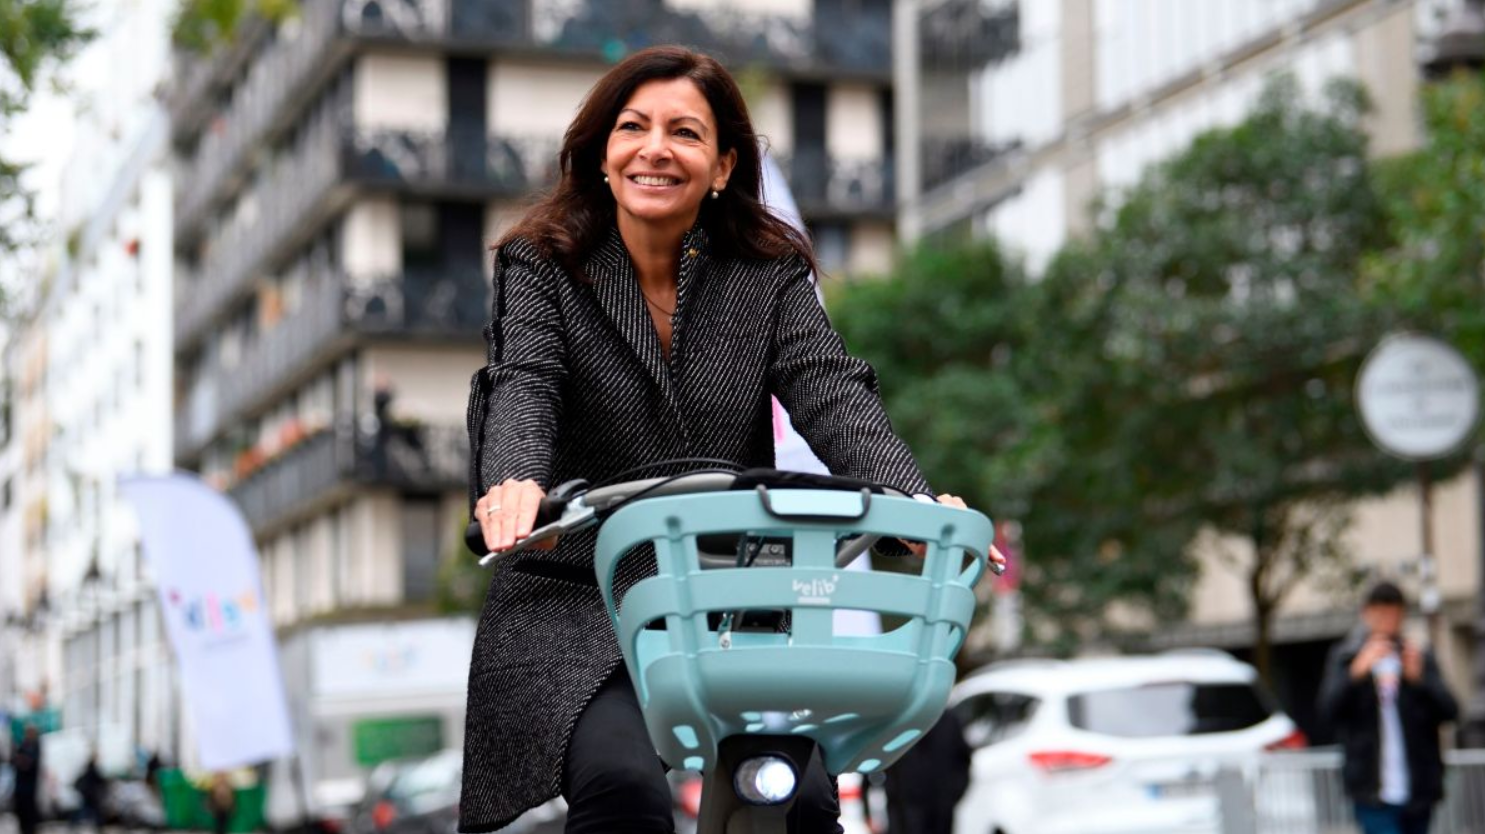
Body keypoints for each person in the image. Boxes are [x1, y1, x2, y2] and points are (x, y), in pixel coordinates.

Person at [460, 45, 1004, 834]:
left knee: (799, 801)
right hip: (576, 588)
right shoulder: (541, 262)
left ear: (721, 167)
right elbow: (526, 381)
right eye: (632, 128)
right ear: (602, 155)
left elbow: (830, 390)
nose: (654, 149)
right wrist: (517, 484)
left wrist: (912, 502)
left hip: (724, 593)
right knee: (622, 788)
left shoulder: (765, 272)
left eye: (683, 132)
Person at [1317, 581, 1458, 834]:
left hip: (1418, 789)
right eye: (1380, 614)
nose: (1388, 622)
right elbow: (1328, 711)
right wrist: (1354, 674)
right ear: (1366, 614)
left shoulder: (1417, 657)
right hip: (1371, 789)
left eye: (1394, 614)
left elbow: (1450, 711)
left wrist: (1420, 681)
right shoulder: (1347, 657)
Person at [882, 708, 972, 834]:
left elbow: (963, 760)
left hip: (940, 811)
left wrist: (953, 793)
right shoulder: (898, 722)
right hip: (907, 811)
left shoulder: (949, 720)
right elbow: (885, 766)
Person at [12, 724, 41, 834]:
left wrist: (21, 760)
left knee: (29, 814)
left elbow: (28, 764)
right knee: (21, 812)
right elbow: (15, 760)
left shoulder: (35, 746)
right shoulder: (24, 745)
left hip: (29, 789)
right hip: (21, 788)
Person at [73, 753, 108, 834]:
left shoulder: (87, 769)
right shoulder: (93, 769)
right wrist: (105, 783)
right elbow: (99, 779)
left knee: (84, 810)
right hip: (91, 794)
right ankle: (99, 826)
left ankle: (73, 823)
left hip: (86, 793)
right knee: (95, 811)